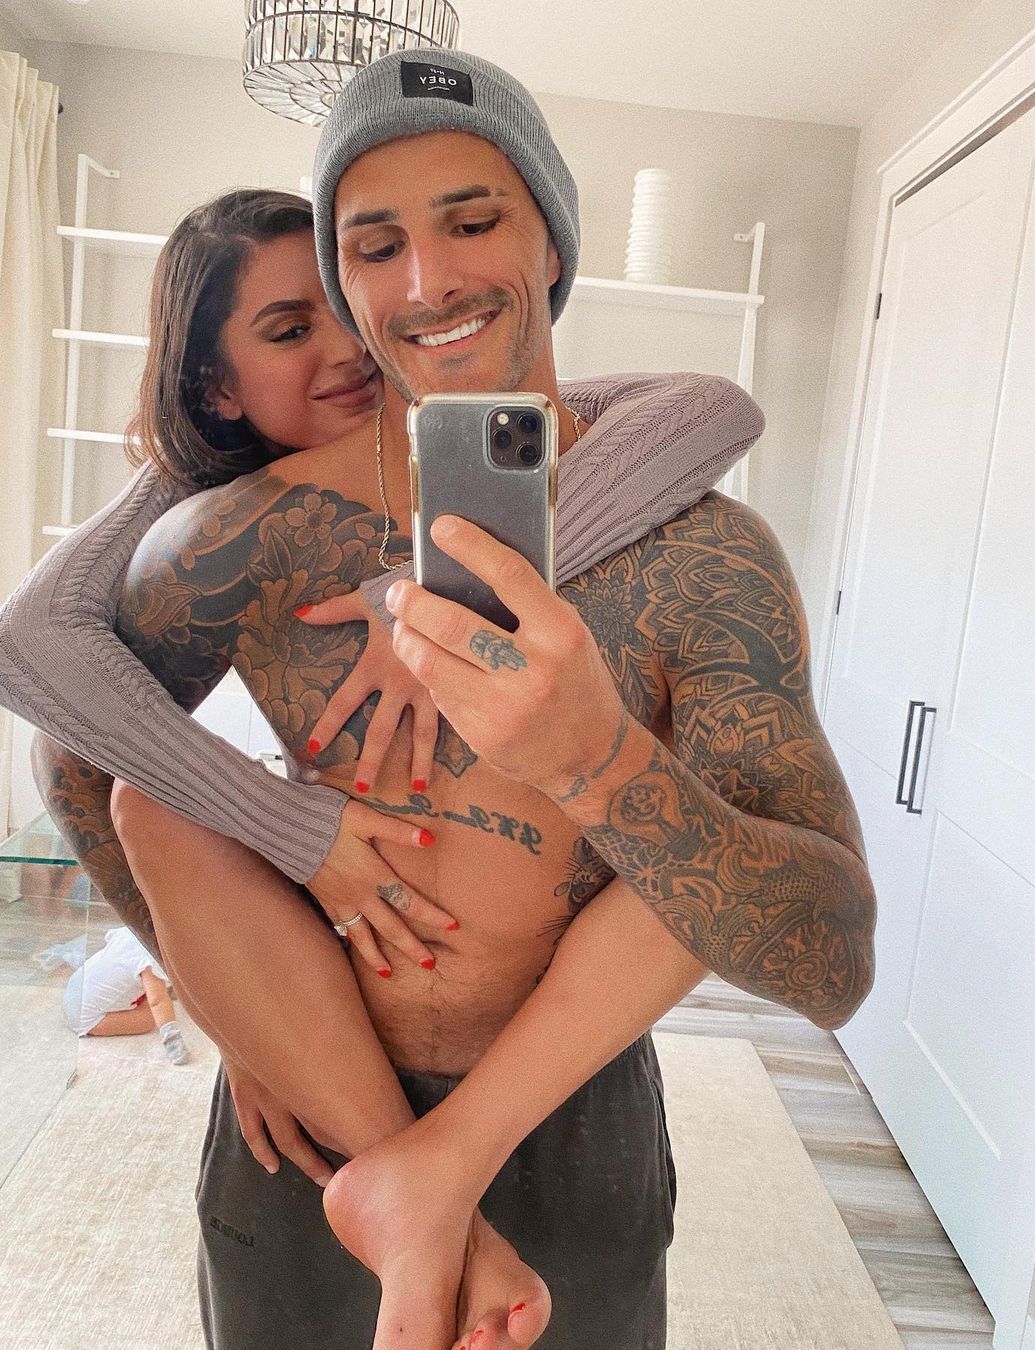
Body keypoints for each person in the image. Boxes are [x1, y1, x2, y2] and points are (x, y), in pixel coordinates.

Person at [104, 49, 876, 1350]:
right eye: (375, 245)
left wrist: (601, 763)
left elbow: (834, 964)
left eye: (473, 222)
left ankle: (434, 1186)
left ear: (550, 240)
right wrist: (228, 997)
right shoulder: (249, 538)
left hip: (572, 1127)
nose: (427, 282)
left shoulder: (705, 559)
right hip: (308, 1124)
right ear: (345, 280)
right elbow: (90, 764)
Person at [0, 186, 766, 1345]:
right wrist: (242, 962)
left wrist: (437, 595)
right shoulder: (204, 509)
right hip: (320, 997)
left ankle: (425, 1212)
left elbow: (714, 406)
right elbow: (49, 691)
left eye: (339, 306)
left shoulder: (476, 430)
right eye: (286, 328)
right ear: (217, 387)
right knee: (155, 808)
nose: (347, 347)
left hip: (554, 1042)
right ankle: (428, 1216)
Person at [61, 925, 190, 1064]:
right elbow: (158, 1002)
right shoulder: (149, 961)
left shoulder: (131, 930)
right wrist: (173, 1041)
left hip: (75, 987)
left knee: (145, 984)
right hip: (84, 1018)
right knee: (149, 1019)